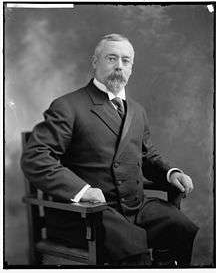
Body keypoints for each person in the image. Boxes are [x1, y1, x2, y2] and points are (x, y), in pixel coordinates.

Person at [21, 33, 199, 267]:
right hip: (88, 213)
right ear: (95, 62)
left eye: (125, 61)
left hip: (135, 207)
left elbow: (146, 155)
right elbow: (36, 157)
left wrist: (170, 173)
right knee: (134, 248)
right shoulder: (68, 106)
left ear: (131, 68)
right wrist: (82, 190)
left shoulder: (137, 110)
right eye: (111, 58)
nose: (119, 66)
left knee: (181, 227)